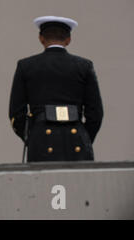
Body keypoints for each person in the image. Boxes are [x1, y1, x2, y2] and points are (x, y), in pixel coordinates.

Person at [9, 16, 103, 162]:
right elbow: (95, 113)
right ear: (68, 40)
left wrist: (33, 137)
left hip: (41, 140)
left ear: (41, 38)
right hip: (76, 139)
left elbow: (16, 113)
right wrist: (84, 137)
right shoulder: (84, 66)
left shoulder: (26, 66)